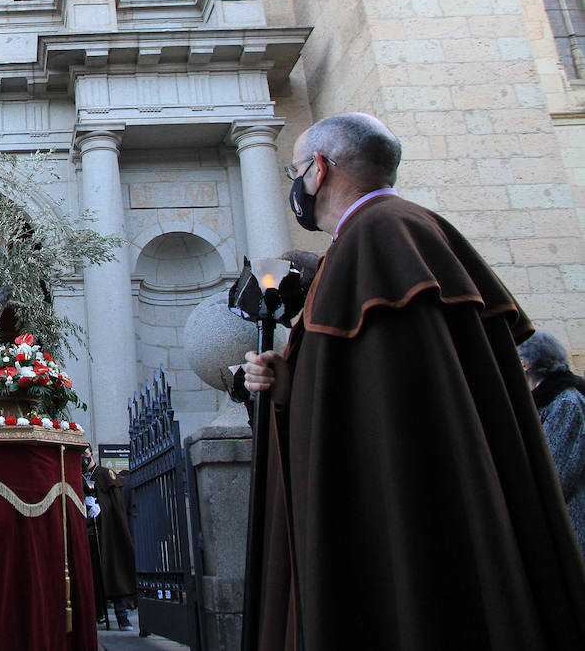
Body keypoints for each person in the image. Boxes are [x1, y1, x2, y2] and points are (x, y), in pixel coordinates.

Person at [241, 113, 585, 650]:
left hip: (406, 509)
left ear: (319, 170)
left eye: (295, 170)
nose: (295, 185)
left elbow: (387, 402)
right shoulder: (409, 230)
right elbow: (368, 382)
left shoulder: (375, 238)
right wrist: (291, 385)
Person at [518, 330, 585, 560]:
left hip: (573, 525)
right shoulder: (555, 400)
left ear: (527, 363)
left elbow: (556, 473)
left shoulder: (565, 403)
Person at [83, 448, 135, 631]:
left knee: (113, 571)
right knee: (92, 576)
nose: (83, 458)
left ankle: (122, 616)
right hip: (88, 533)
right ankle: (98, 612)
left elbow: (115, 504)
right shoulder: (77, 477)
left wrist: (101, 507)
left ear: (91, 454)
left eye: (85, 453)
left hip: (107, 533)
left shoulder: (105, 474)